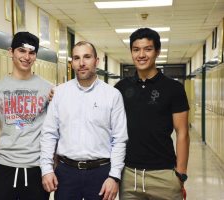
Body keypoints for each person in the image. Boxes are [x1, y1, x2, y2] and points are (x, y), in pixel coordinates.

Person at [40, 41, 128, 200]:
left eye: (87, 57)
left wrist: (114, 177)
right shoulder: (60, 93)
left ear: (96, 61)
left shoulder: (113, 95)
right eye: (76, 58)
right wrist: (46, 169)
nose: (82, 63)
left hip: (101, 174)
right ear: (72, 63)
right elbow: (49, 134)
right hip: (66, 173)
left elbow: (119, 139)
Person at [115, 28, 190, 200]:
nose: (141, 54)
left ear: (157, 52)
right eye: (136, 49)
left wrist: (181, 174)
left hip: (164, 175)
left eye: (147, 49)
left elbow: (182, 132)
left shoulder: (173, 88)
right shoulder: (121, 88)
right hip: (128, 175)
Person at [0, 32, 52, 200]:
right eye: (21, 51)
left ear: (35, 56)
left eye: (31, 53)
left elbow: (53, 132)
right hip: (3, 167)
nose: (26, 57)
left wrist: (51, 167)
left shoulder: (49, 90)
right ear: (11, 52)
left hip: (36, 169)